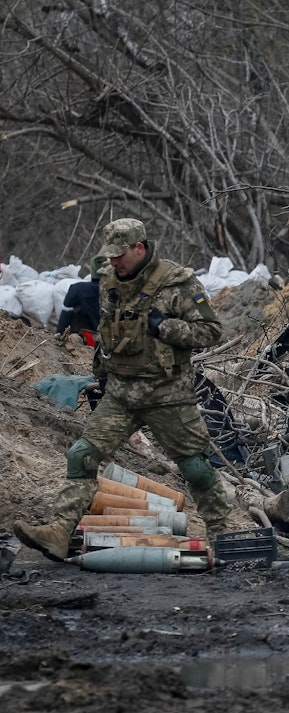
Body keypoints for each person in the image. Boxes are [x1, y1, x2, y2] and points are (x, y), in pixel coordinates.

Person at [14, 218, 232, 561]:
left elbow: (213, 331)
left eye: (120, 255)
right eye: (109, 255)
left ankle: (222, 536)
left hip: (167, 394)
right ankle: (58, 532)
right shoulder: (110, 283)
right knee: (81, 455)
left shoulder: (179, 282)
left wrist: (168, 328)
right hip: (121, 393)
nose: (113, 262)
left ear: (139, 248)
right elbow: (108, 333)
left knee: (194, 467)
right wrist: (100, 375)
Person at [55, 255, 106, 340]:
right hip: (110, 342)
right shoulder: (118, 291)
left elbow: (65, 317)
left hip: (85, 341)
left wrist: (58, 336)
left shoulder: (77, 289)